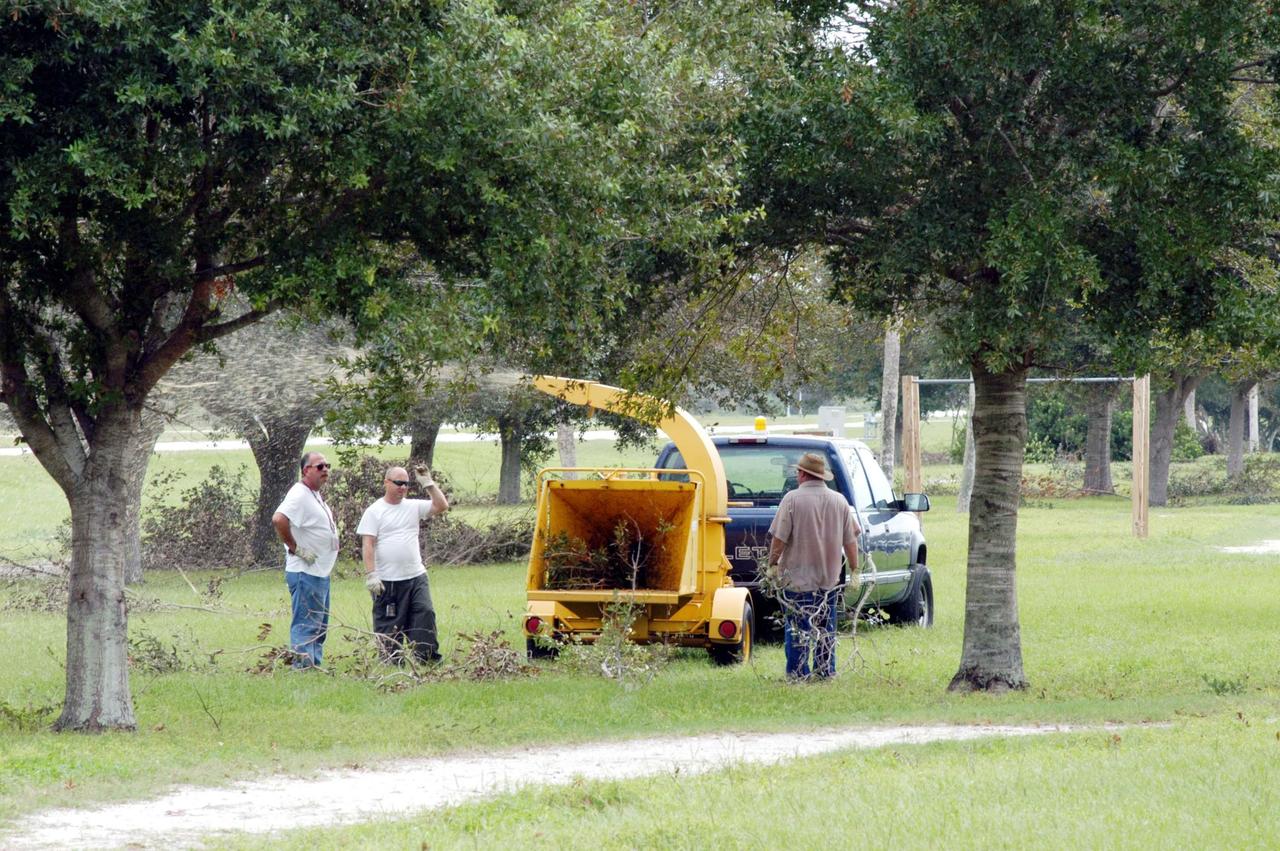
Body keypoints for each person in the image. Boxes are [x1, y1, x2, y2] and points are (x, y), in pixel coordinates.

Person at [767, 451, 861, 681]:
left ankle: (798, 673)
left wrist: (772, 563)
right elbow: (851, 540)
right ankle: (825, 671)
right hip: (828, 579)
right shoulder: (839, 501)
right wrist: (855, 569)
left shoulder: (792, 499)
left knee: (798, 629)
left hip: (796, 580)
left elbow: (779, 538)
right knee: (825, 628)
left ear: (802, 474)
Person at [357, 463, 449, 663]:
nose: (403, 487)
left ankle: (426, 658)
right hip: (387, 581)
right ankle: (391, 660)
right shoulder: (375, 511)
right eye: (398, 483)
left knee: (425, 613)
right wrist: (371, 574)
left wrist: (429, 483)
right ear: (386, 483)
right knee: (390, 624)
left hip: (415, 576)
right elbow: (368, 544)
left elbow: (442, 506)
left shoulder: (413, 506)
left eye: (406, 484)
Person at [272, 451, 340, 669]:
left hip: (319, 571)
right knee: (306, 623)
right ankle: (302, 668)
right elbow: (279, 519)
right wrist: (295, 548)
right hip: (305, 572)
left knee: (319, 626)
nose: (325, 470)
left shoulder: (313, 494)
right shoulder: (299, 493)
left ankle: (313, 665)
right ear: (306, 470)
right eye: (320, 466)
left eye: (327, 465)